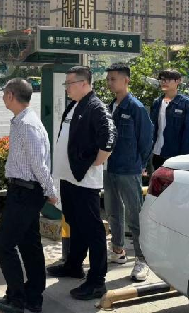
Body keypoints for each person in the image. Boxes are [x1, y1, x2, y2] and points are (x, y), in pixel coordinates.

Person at [46, 66, 116, 301]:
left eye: (69, 83)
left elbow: (109, 139)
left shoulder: (96, 107)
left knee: (92, 230)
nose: (66, 87)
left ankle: (97, 281)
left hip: (84, 181)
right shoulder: (75, 105)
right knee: (75, 223)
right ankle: (74, 265)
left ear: (84, 83)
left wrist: (95, 163)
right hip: (69, 177)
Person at [0, 79, 57, 313]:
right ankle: (33, 296)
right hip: (23, 190)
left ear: (11, 95)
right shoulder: (21, 120)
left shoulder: (27, 125)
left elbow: (39, 164)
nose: (2, 97)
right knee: (29, 244)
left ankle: (17, 298)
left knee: (3, 244)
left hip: (26, 192)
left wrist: (50, 191)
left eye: (3, 94)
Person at [104, 63, 154, 282]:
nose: (109, 82)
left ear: (126, 80)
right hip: (110, 168)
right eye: (108, 79)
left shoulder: (136, 107)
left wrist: (139, 164)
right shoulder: (110, 106)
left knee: (135, 216)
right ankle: (118, 251)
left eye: (113, 79)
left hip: (129, 169)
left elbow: (146, 140)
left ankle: (143, 259)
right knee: (113, 211)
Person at [150, 69, 189, 171]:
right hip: (156, 153)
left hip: (175, 156)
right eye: (162, 80)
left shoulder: (187, 105)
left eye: (167, 80)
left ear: (178, 81)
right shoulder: (157, 103)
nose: (164, 82)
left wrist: (186, 159)